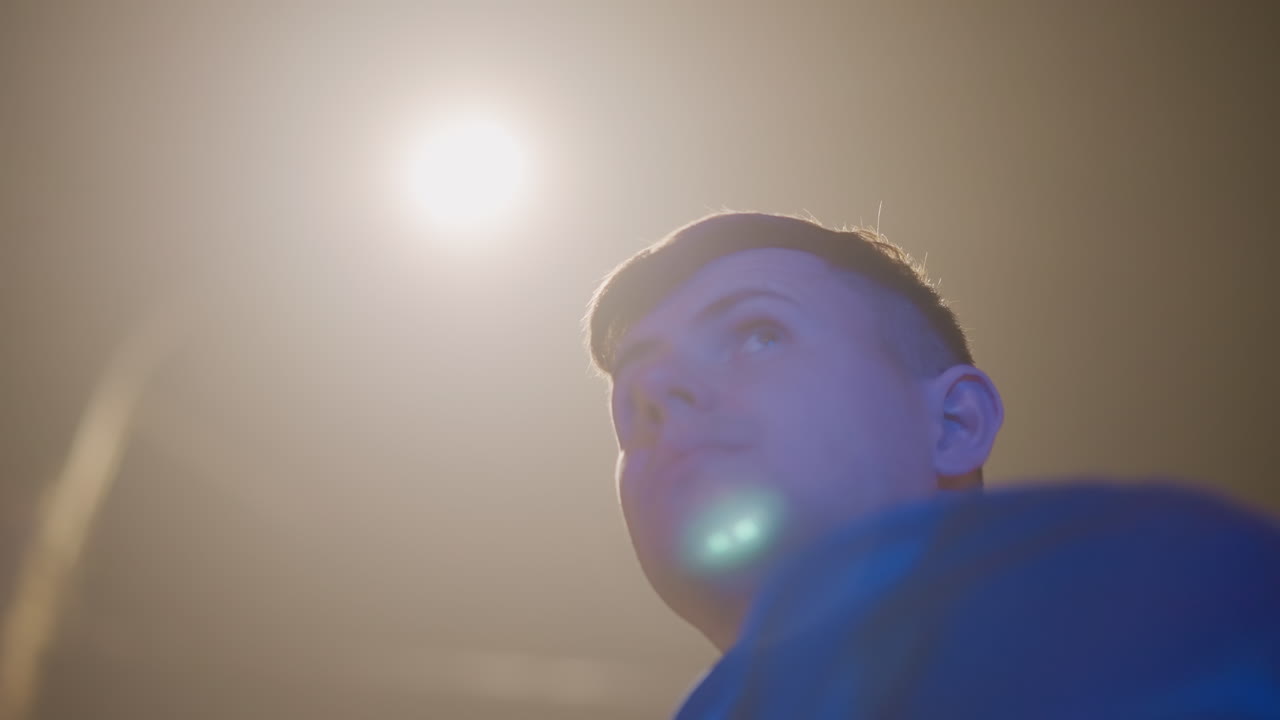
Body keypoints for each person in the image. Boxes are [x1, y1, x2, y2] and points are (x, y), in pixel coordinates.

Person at [582, 212, 1280, 718]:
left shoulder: (1174, 602)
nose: (655, 397)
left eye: (759, 335)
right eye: (629, 400)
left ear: (955, 423)